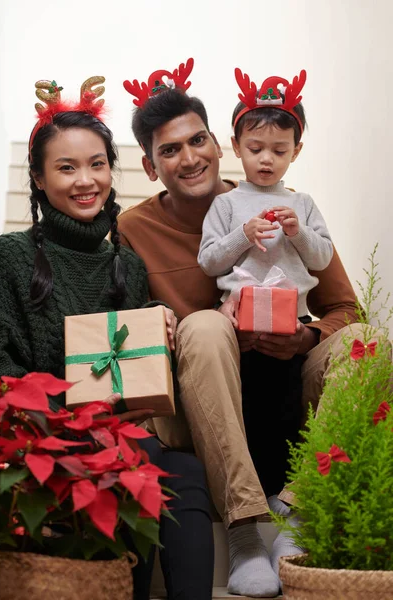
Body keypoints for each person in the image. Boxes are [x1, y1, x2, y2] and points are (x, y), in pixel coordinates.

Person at [118, 59, 371, 598]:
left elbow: (347, 310)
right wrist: (152, 318)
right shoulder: (133, 230)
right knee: (207, 327)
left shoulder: (286, 207)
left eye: (198, 140)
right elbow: (121, 333)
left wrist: (304, 338)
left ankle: (297, 507)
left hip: (286, 387)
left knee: (367, 346)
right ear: (149, 165)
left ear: (218, 142)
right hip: (206, 403)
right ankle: (244, 530)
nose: (190, 159)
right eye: (169, 150)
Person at [0, 77, 214, 600]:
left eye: (97, 164)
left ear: (112, 171)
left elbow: (133, 383)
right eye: (66, 168)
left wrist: (156, 335)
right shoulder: (9, 257)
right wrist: (70, 412)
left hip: (116, 441)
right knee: (121, 475)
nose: (85, 180)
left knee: (181, 468)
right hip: (39, 440)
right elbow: (0, 372)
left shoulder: (128, 267)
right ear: (40, 180)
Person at [197, 68, 334, 512]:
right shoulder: (225, 203)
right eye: (255, 149)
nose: (265, 159)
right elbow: (209, 261)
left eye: (279, 150)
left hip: (290, 324)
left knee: (287, 405)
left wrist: (298, 234)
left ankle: (282, 496)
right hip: (241, 322)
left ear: (296, 151)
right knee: (249, 406)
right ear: (235, 147)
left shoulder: (303, 203)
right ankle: (252, 491)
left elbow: (322, 259)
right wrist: (241, 234)